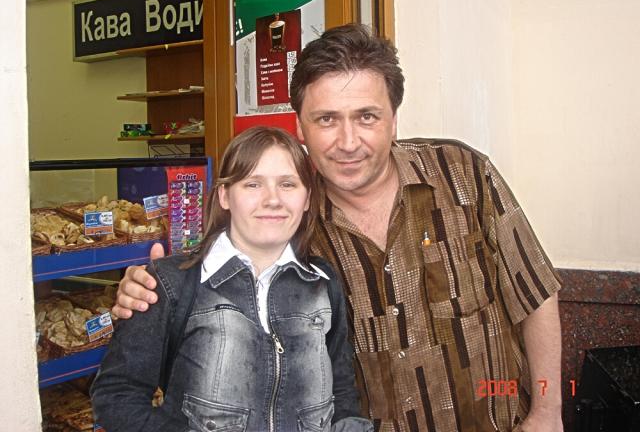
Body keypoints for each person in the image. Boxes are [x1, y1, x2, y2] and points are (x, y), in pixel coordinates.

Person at [114, 24, 564, 432]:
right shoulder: (287, 224)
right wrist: (148, 291)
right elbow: (210, 294)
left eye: (367, 116)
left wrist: (547, 412)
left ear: (393, 120)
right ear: (301, 127)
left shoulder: (463, 174)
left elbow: (536, 292)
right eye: (326, 119)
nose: (348, 143)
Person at [92, 127, 373, 432]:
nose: (273, 200)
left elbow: (341, 390)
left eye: (288, 184)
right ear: (225, 196)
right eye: (253, 184)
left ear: (307, 198)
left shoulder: (322, 283)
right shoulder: (172, 283)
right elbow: (116, 396)